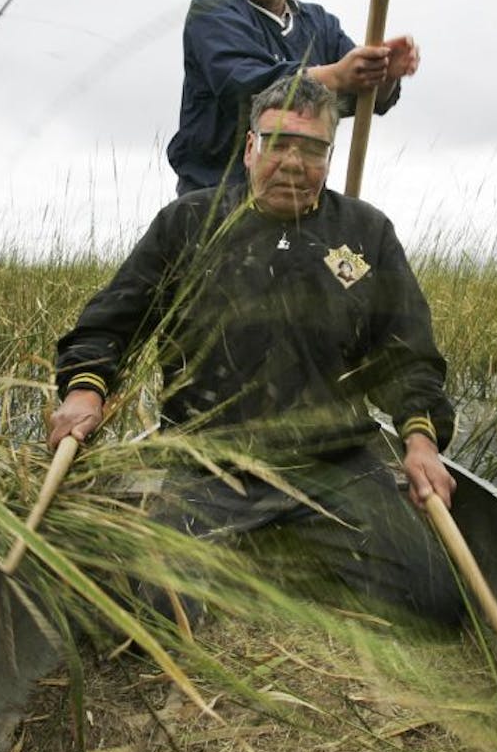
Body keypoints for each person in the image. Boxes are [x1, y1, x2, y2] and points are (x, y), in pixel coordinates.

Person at [50, 72, 461, 627]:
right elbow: (111, 322)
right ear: (250, 148)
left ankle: (286, 548)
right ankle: (246, 554)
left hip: (333, 461)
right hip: (209, 461)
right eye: (278, 144)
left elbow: (407, 353)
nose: (293, 163)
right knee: (153, 617)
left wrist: (419, 441)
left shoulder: (365, 231)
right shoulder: (189, 222)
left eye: (312, 149)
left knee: (434, 603)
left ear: (329, 157)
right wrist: (84, 391)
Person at [165, 0, 421, 195]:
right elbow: (245, 88)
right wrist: (337, 76)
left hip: (299, 198)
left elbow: (364, 99)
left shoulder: (320, 24)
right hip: (216, 194)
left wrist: (384, 73)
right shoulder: (214, 8)